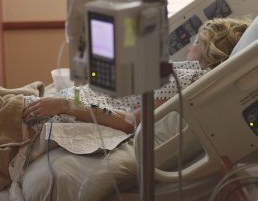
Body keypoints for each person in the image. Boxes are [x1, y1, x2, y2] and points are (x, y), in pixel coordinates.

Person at [22, 17, 252, 135]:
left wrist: (65, 104)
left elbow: (129, 121)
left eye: (196, 42)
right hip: (75, 100)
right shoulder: (185, 73)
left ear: (208, 50)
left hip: (71, 113)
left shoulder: (188, 80)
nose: (190, 47)